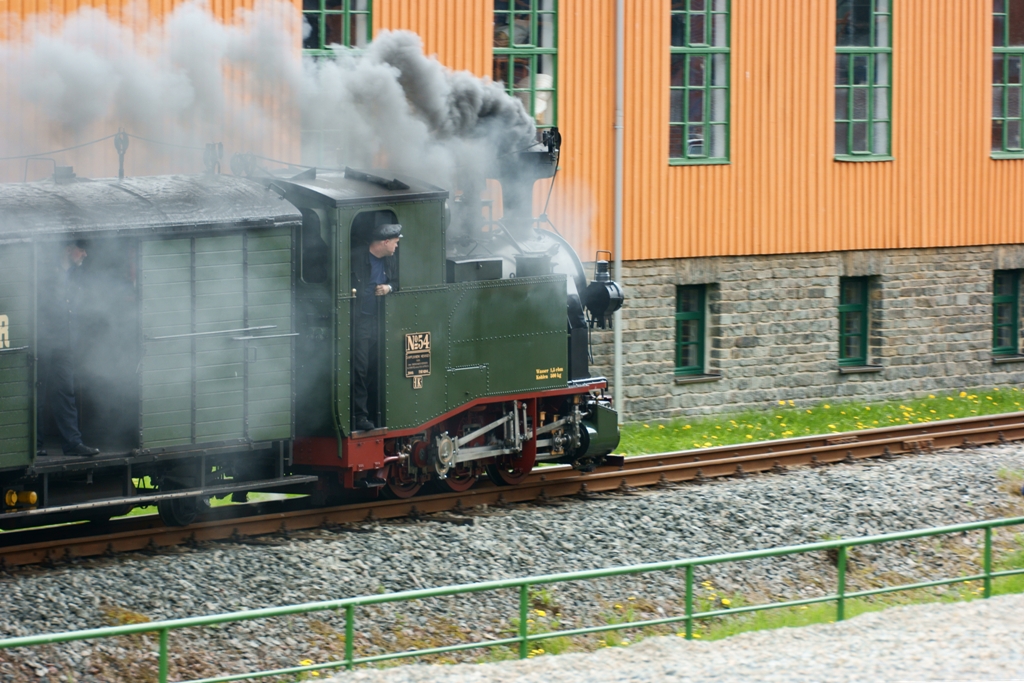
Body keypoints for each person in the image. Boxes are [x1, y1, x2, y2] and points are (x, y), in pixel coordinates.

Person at [37, 240, 100, 457]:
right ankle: (34, 445)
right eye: (81, 249)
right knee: (37, 392)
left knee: (66, 392)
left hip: (64, 343)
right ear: (68, 249)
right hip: (42, 342)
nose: (84, 254)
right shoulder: (45, 272)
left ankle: (72, 443)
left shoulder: (77, 275)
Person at [350, 223, 401, 432]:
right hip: (360, 320)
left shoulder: (391, 260)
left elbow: (398, 282)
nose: (397, 247)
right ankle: (359, 416)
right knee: (359, 369)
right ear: (385, 242)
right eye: (396, 243)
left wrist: (389, 287)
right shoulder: (356, 258)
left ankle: (370, 412)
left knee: (373, 367)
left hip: (379, 321)